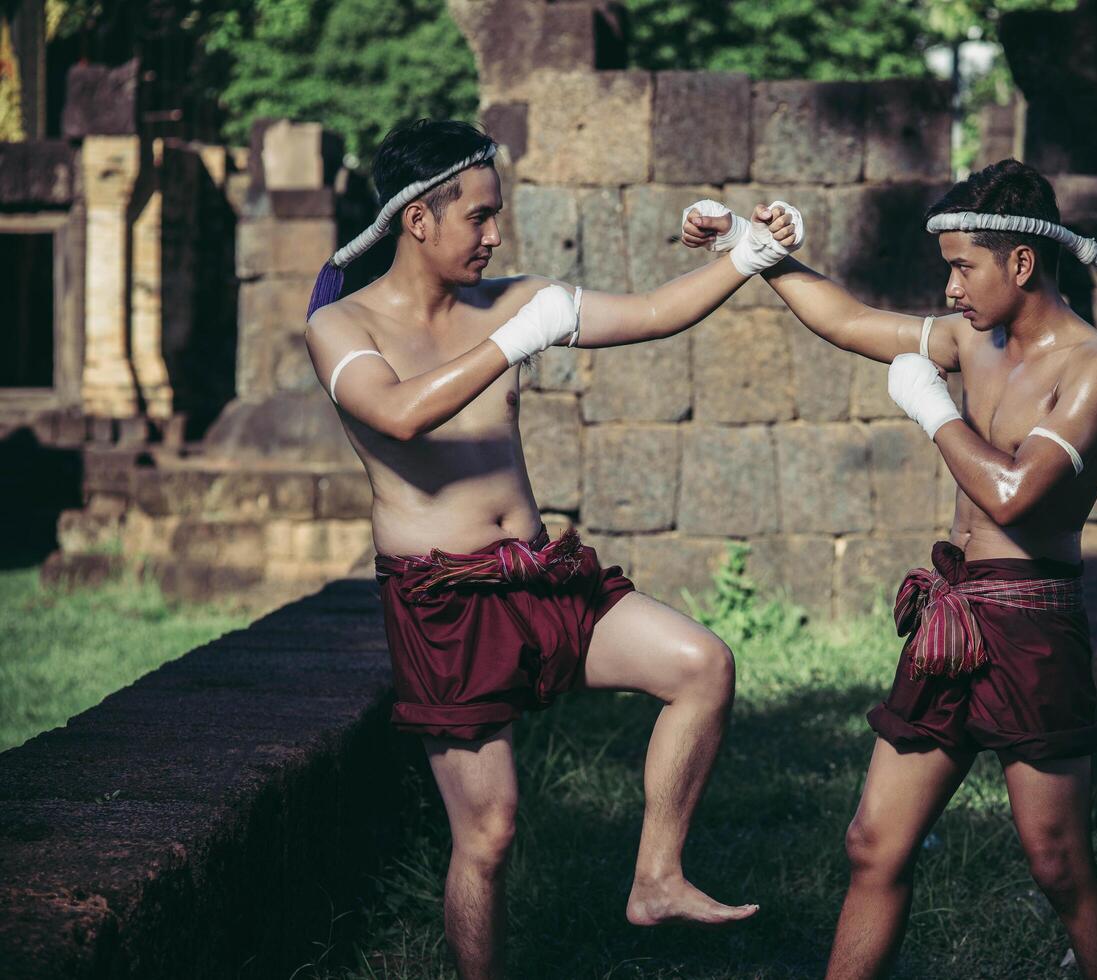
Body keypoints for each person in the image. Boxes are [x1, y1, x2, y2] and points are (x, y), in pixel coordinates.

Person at [305, 119, 800, 979]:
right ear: (418, 219)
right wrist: (515, 339)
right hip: (441, 602)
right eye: (480, 217)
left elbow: (651, 315)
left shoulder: (509, 300)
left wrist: (747, 255)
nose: (495, 235)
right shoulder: (341, 327)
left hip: (539, 578)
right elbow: (398, 414)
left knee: (700, 665)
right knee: (488, 833)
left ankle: (656, 877)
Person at [681, 158, 1097, 979]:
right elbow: (851, 321)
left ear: (1021, 263)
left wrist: (931, 409)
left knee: (1058, 865)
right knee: (872, 843)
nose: (953, 289)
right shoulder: (974, 337)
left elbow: (1013, 496)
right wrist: (753, 249)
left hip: (1032, 626)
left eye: (964, 267)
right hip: (950, 617)